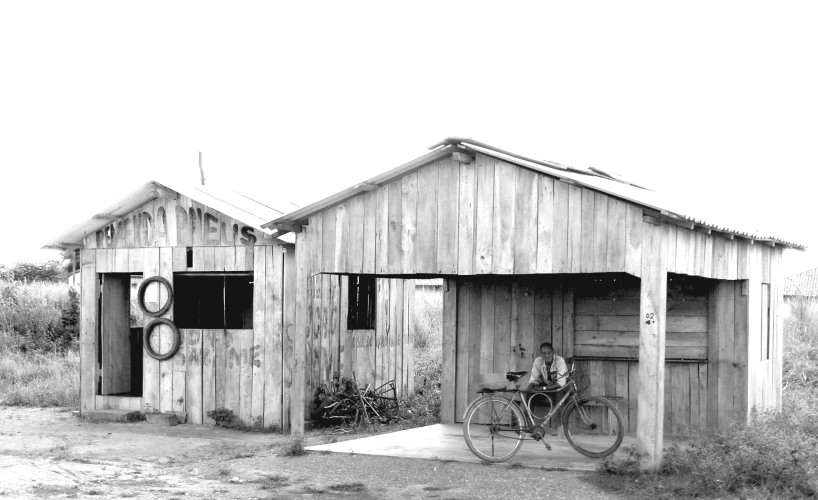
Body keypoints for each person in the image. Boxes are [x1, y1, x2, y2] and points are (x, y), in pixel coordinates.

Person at [527, 342, 568, 436]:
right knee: (528, 395)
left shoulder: (559, 360)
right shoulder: (538, 361)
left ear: (553, 352)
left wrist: (544, 388)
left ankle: (556, 427)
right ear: (541, 354)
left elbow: (560, 383)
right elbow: (534, 379)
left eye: (549, 352)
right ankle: (530, 425)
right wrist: (530, 387)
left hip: (559, 387)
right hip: (546, 387)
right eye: (544, 353)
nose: (546, 355)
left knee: (560, 396)